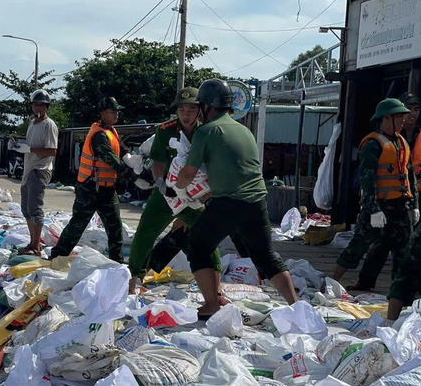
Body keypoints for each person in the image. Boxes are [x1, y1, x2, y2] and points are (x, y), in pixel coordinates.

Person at [175, 78, 297, 318]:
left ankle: (212, 303)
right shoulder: (244, 130)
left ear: (207, 106)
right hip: (257, 202)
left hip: (228, 203)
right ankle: (297, 306)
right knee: (265, 257)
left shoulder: (206, 131)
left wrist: (172, 186)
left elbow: (188, 174)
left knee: (198, 245)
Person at [127, 87, 221, 293]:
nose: (186, 115)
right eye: (182, 110)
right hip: (167, 193)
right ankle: (134, 279)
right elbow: (158, 162)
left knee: (206, 236)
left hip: (193, 196)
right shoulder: (165, 130)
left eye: (191, 110)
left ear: (200, 110)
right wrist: (161, 183)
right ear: (176, 111)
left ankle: (216, 287)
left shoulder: (208, 132)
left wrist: (206, 196)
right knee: (145, 232)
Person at [332, 98, 418, 286]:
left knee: (403, 250)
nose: (403, 120)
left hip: (400, 206)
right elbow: (368, 181)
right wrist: (374, 209)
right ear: (386, 118)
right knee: (360, 244)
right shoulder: (372, 144)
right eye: (399, 116)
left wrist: (414, 205)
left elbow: (410, 175)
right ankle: (332, 281)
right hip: (378, 205)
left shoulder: (402, 142)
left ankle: (397, 291)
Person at [50, 97, 136, 263]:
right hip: (90, 188)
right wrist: (130, 175)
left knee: (115, 226)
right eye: (113, 111)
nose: (117, 114)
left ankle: (116, 260)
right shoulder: (99, 135)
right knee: (78, 224)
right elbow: (110, 158)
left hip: (107, 189)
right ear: (103, 113)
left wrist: (134, 162)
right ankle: (57, 256)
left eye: (117, 111)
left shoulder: (111, 132)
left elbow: (122, 151)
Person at [18, 89, 59, 254]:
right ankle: (32, 242)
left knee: (35, 209)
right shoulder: (32, 124)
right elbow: (30, 146)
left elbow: (52, 151)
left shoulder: (49, 125)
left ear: (47, 107)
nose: (38, 108)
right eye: (36, 104)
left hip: (39, 169)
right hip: (28, 170)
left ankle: (36, 244)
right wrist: (18, 147)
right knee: (26, 209)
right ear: (32, 106)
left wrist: (30, 149)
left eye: (42, 105)